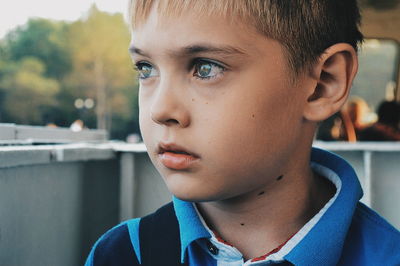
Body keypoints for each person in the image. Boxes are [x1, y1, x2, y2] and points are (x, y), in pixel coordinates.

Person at [86, 0, 400, 265]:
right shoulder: (123, 253)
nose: (159, 109)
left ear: (321, 85)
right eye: (145, 68)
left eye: (205, 67)